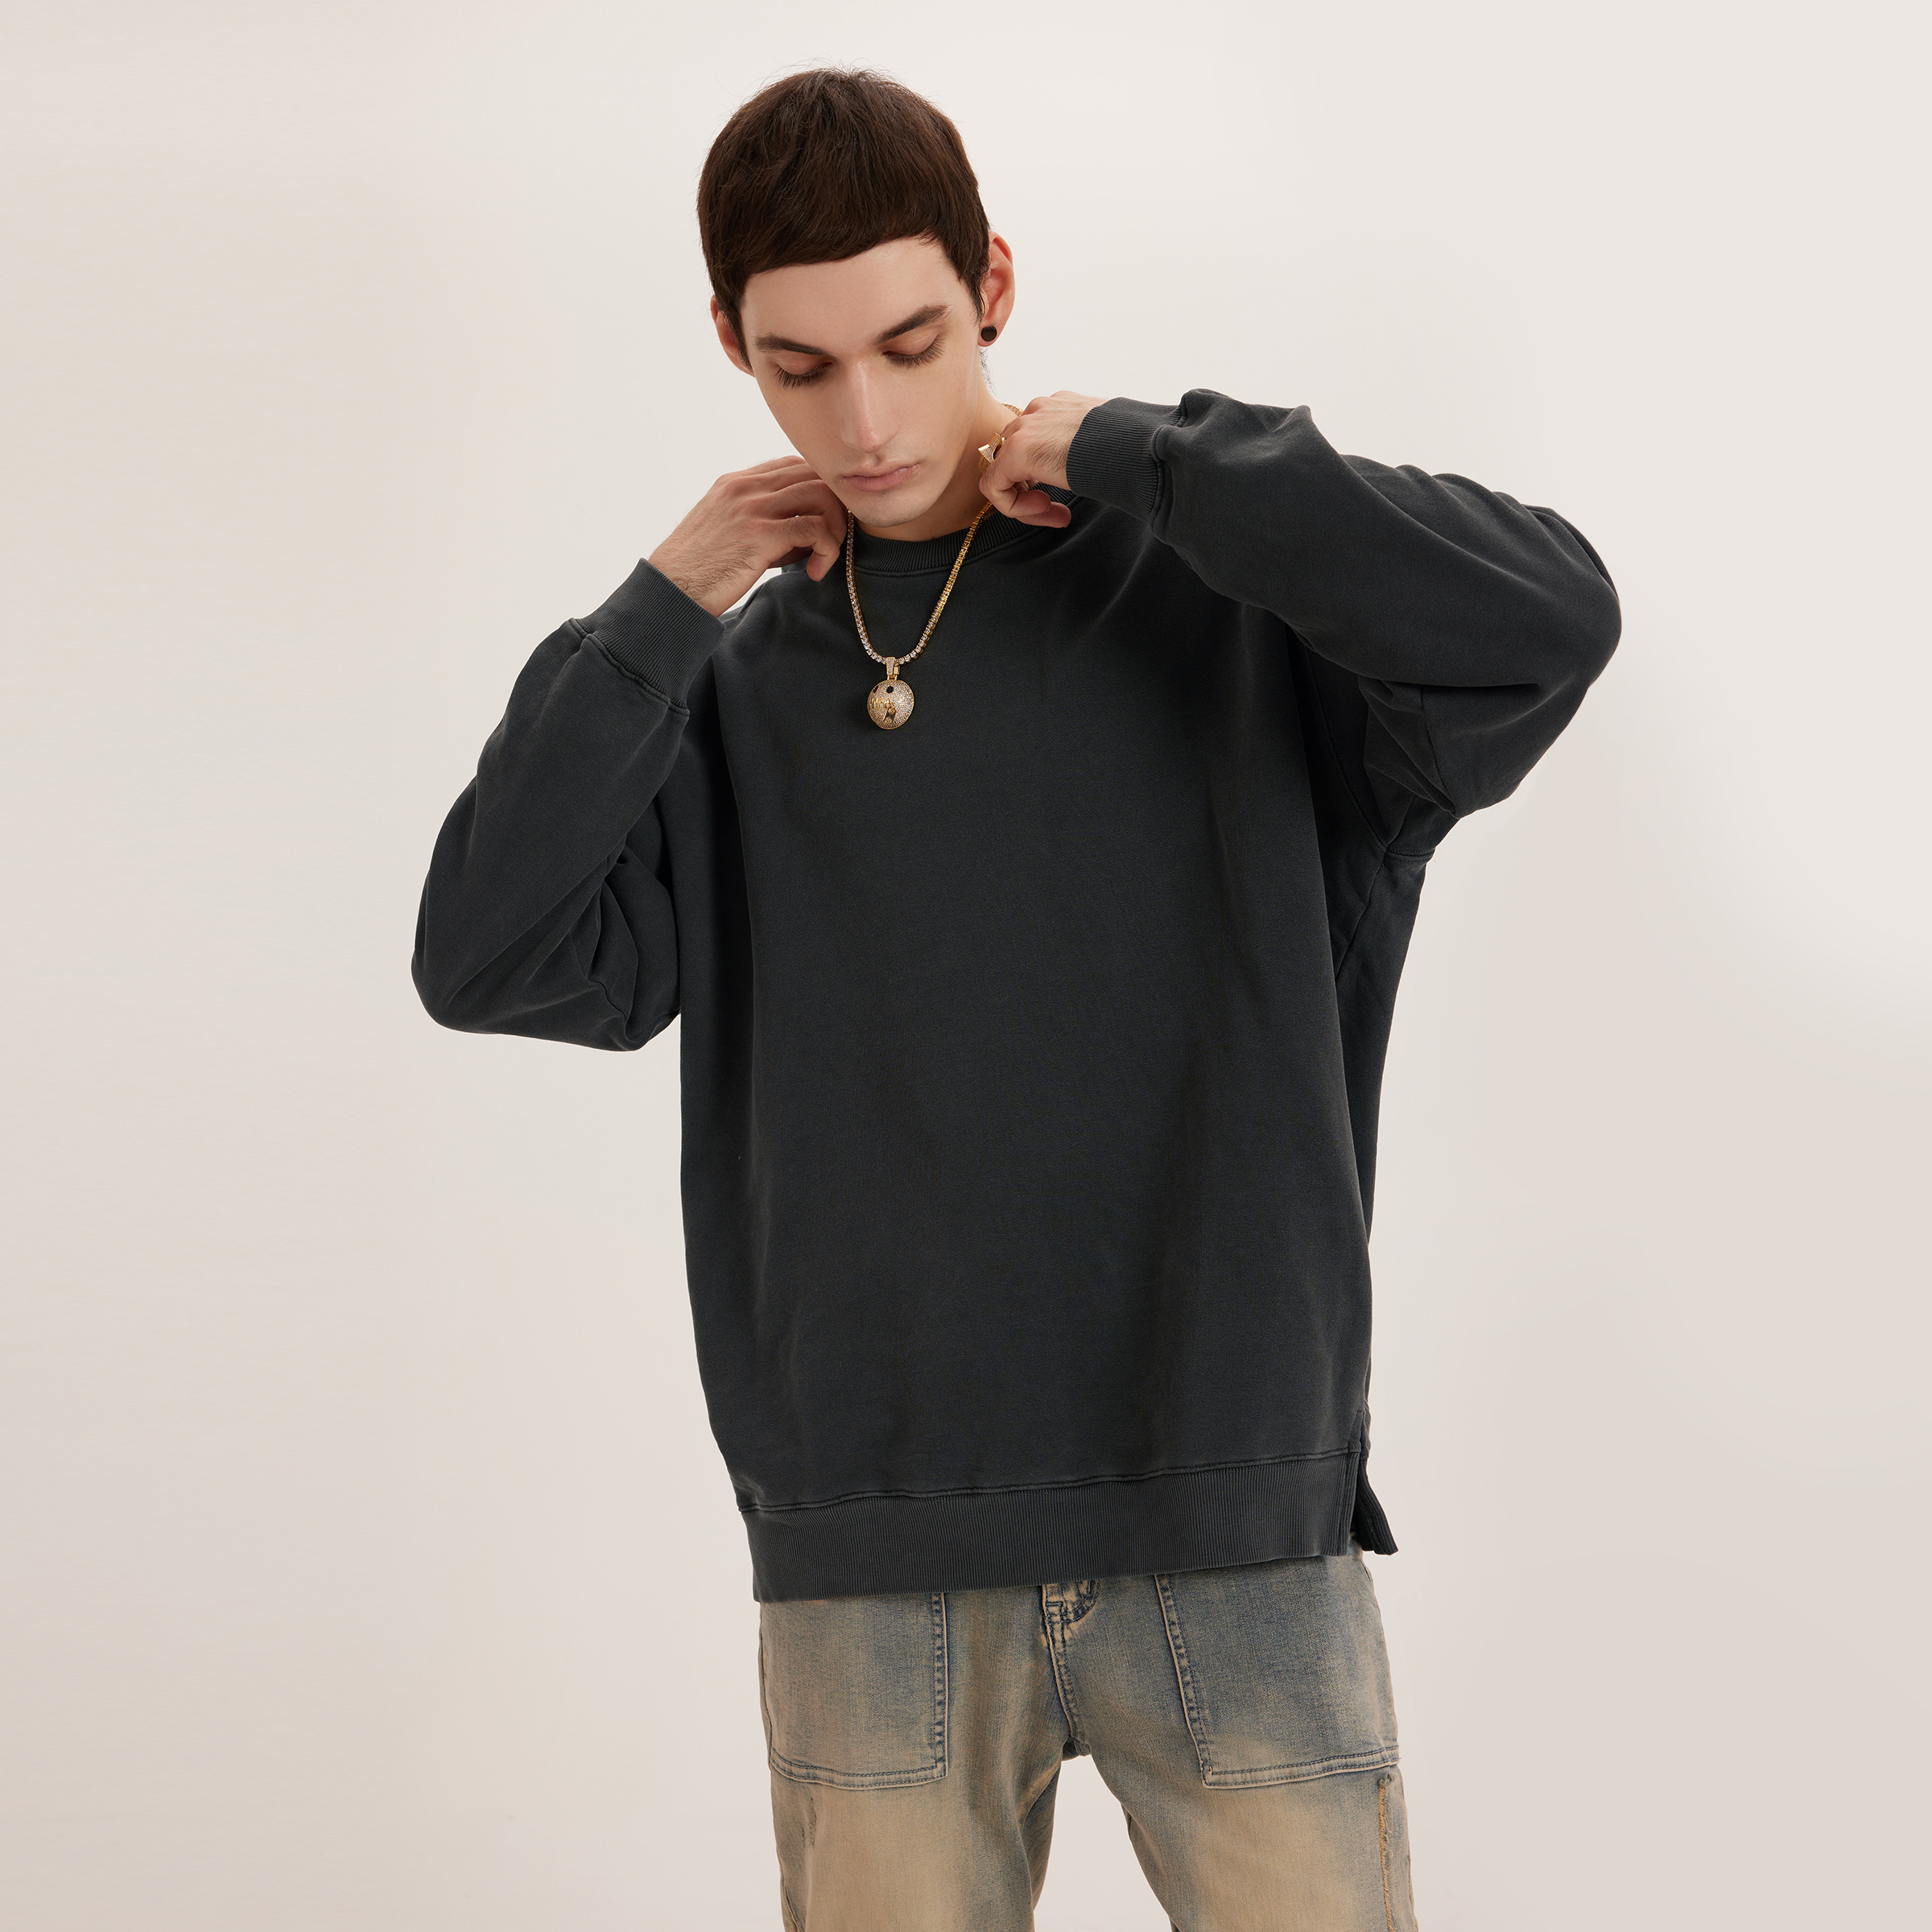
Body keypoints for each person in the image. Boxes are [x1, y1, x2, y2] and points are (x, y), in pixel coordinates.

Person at [411, 64, 1620, 1932]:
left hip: (1238, 1538)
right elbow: (488, 952)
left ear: (991, 281)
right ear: (732, 346)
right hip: (873, 1568)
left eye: (909, 342)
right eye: (802, 367)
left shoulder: (1235, 609)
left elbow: (1547, 622)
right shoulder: (726, 696)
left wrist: (1153, 456)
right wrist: (668, 600)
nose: (867, 419)